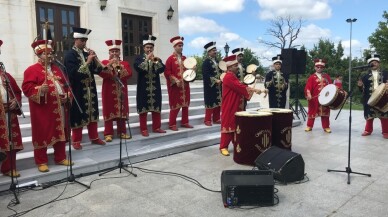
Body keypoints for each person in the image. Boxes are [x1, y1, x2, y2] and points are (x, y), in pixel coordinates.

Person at [22, 39, 72, 172]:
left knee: (60, 130)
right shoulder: (31, 70)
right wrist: (39, 89)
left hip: (60, 107)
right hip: (43, 109)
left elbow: (67, 85)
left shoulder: (58, 69)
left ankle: (60, 157)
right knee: (42, 132)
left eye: (51, 53)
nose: (50, 56)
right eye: (46, 53)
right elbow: (27, 88)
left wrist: (68, 96)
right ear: (39, 55)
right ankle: (41, 161)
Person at [64, 27, 106, 150]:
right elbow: (73, 73)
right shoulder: (69, 55)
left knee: (92, 112)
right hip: (77, 89)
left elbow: (96, 70)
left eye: (85, 41)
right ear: (76, 40)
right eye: (82, 40)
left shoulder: (87, 54)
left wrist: (96, 59)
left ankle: (94, 137)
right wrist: (87, 62)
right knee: (78, 113)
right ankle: (76, 140)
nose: (84, 43)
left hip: (90, 88)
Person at [219, 55, 262, 156]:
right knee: (228, 125)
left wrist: (252, 86)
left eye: (237, 65)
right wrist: (254, 90)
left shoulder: (232, 76)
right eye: (235, 66)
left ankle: (236, 144)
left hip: (234, 105)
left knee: (236, 125)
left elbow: (241, 85)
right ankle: (223, 147)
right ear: (229, 68)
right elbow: (239, 87)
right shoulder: (228, 76)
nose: (237, 67)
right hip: (230, 105)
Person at [99, 40, 132, 142]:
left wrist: (117, 66)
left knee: (122, 111)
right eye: (112, 51)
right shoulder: (104, 62)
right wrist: (110, 65)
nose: (114, 53)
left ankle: (122, 132)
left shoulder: (125, 63)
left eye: (116, 51)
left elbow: (128, 74)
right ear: (109, 53)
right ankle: (108, 133)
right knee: (109, 110)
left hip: (121, 90)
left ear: (119, 52)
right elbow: (103, 74)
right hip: (108, 91)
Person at [134, 35, 166, 137]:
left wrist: (155, 61)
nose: (149, 49)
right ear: (144, 48)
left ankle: (157, 127)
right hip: (143, 88)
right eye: (147, 47)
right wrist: (146, 60)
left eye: (151, 47)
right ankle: (143, 129)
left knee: (156, 108)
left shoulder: (157, 59)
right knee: (143, 109)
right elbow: (138, 68)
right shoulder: (139, 58)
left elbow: (162, 69)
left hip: (155, 87)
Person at [0, 39, 24, 176]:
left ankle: (8, 167)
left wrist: (16, 102)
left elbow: (17, 92)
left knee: (10, 141)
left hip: (9, 114)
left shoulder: (6, 75)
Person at [164, 36, 193, 131]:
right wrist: (175, 80)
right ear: (175, 47)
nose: (181, 47)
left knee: (185, 105)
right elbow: (167, 72)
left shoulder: (185, 58)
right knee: (175, 105)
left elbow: (189, 71)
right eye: (179, 45)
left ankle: (185, 122)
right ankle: (172, 124)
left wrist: (192, 71)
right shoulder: (170, 59)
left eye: (182, 45)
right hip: (175, 87)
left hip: (185, 85)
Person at [357, 54, 388, 138]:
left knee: (384, 115)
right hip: (369, 98)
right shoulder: (364, 76)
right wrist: (360, 86)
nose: (374, 64)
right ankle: (368, 130)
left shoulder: (386, 73)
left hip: (384, 98)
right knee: (369, 115)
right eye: (372, 63)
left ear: (379, 63)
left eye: (375, 62)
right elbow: (362, 91)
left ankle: (385, 131)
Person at [304, 59, 332, 133]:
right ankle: (309, 126)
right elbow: (308, 87)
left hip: (325, 98)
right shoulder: (311, 77)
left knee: (325, 112)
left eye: (321, 67)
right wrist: (309, 94)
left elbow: (331, 86)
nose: (319, 68)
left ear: (323, 68)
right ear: (315, 67)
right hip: (314, 99)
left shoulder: (327, 76)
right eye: (318, 67)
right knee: (312, 111)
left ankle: (326, 126)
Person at [202, 41, 222, 126]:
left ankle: (216, 118)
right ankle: (207, 120)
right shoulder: (206, 62)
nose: (215, 51)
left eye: (215, 50)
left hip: (218, 85)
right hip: (210, 86)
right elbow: (206, 74)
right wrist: (215, 80)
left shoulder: (217, 61)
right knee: (210, 102)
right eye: (213, 50)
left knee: (218, 102)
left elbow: (220, 71)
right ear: (209, 52)